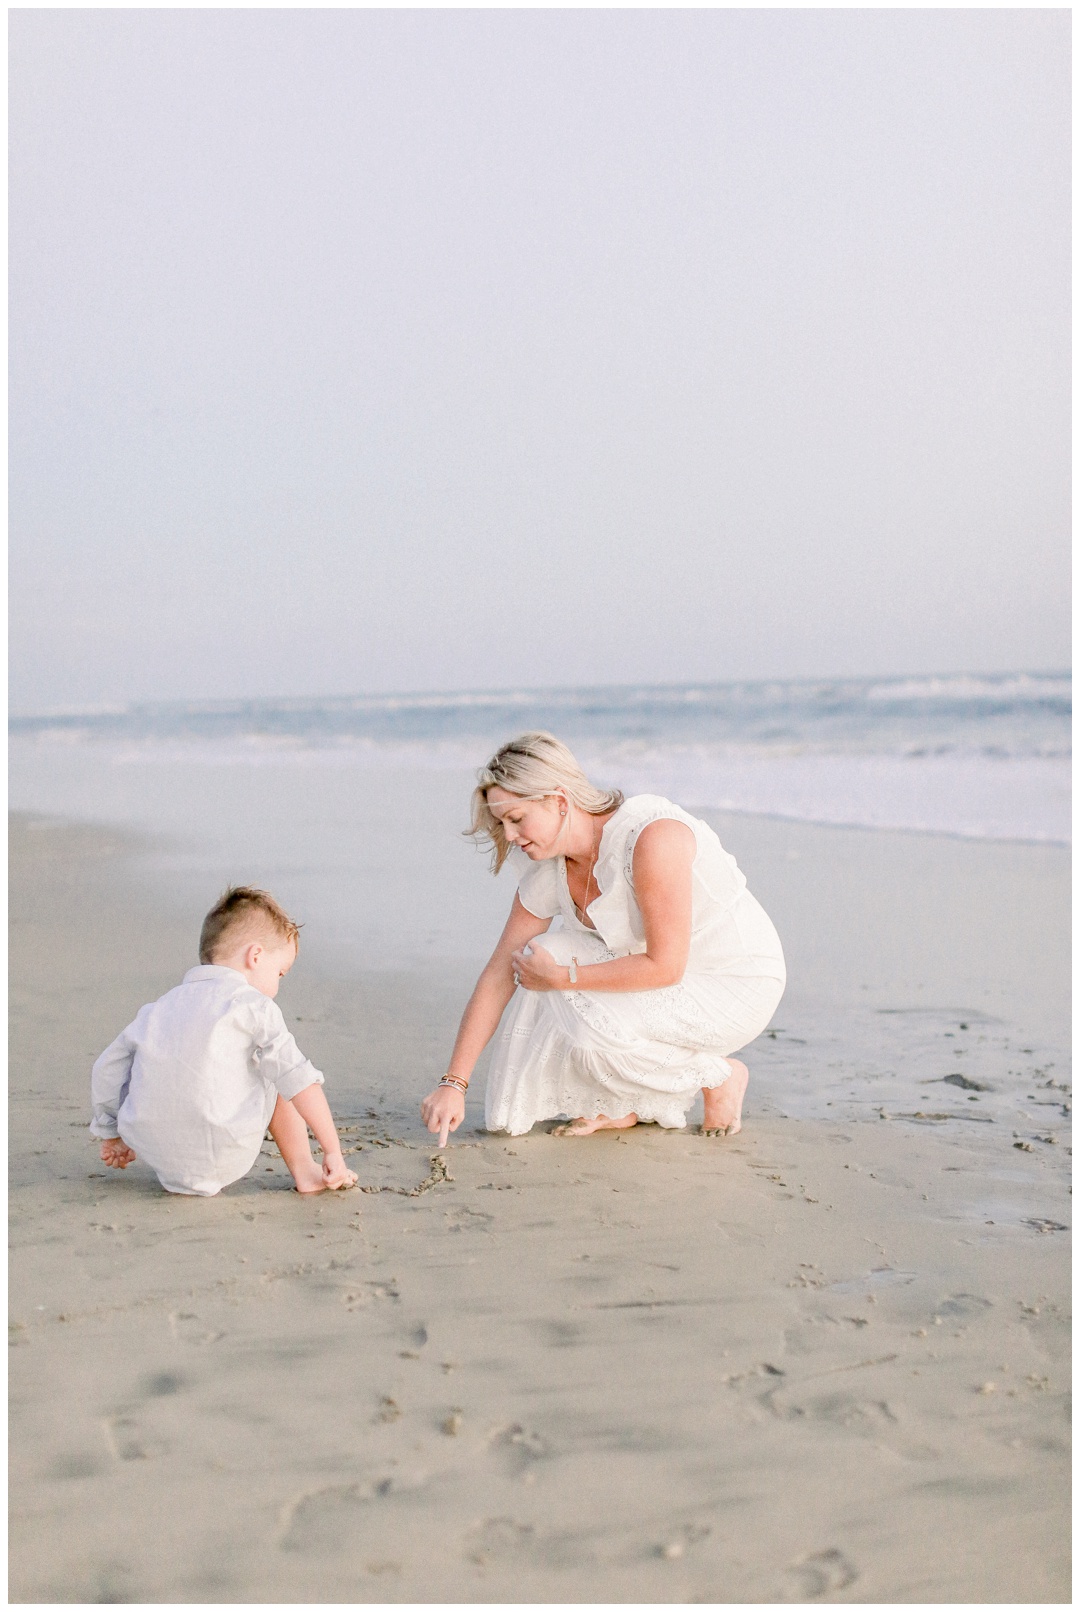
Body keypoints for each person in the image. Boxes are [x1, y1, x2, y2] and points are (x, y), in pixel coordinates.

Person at [421, 732, 786, 1145]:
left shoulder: (651, 838)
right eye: (501, 822)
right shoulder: (550, 869)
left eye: (517, 819)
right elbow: (499, 972)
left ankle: (717, 1077)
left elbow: (666, 966)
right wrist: (454, 1083)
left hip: (733, 984)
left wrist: (562, 979)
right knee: (541, 955)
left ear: (560, 800)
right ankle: (626, 1103)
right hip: (662, 980)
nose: (508, 836)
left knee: (565, 984)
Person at [90, 886, 358, 1197]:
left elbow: (107, 1068)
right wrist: (333, 1151)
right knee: (278, 1067)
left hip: (156, 1150)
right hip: (224, 1152)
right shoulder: (254, 1006)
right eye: (280, 973)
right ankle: (305, 1171)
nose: (277, 985)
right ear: (255, 956)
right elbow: (299, 1079)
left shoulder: (158, 1008)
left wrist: (111, 1132)